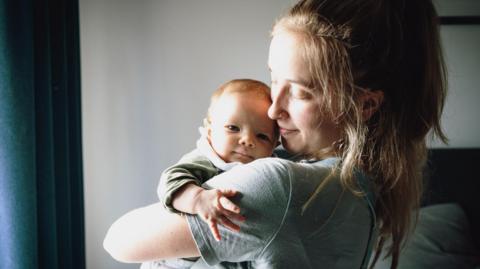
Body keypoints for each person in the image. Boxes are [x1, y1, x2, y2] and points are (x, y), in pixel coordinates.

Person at [104, 0, 447, 268]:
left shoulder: (282, 187)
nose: (272, 109)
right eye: (274, 80)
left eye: (299, 92)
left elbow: (118, 241)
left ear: (364, 104)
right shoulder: (362, 191)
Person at [144, 79, 278, 269]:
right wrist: (198, 199)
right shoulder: (205, 161)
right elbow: (170, 180)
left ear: (274, 146)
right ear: (209, 131)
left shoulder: (271, 170)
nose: (247, 140)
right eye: (233, 128)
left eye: (262, 136)